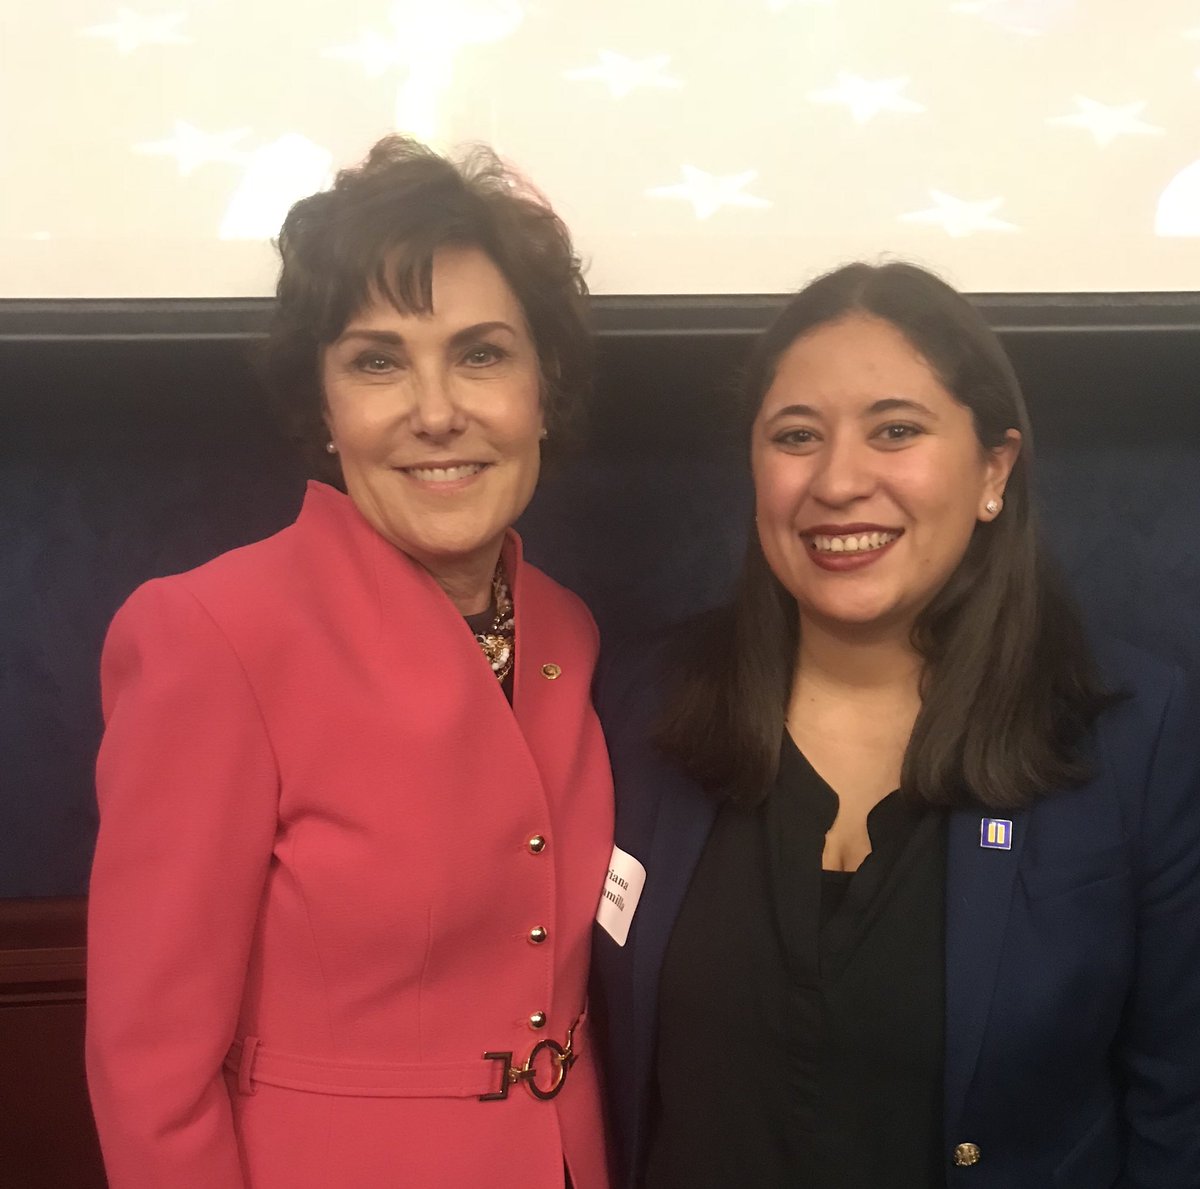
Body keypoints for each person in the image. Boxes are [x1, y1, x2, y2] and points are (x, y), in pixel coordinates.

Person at [592, 261, 1200, 1188]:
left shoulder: (1131, 733)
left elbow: (1177, 1104)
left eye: (896, 431)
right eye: (797, 435)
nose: (838, 480)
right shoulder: (638, 704)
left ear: (994, 468)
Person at [87, 136, 613, 1189]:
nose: (435, 410)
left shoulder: (565, 630)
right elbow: (147, 1073)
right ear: (324, 409)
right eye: (378, 360)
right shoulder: (212, 635)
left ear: (542, 392)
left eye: (481, 353)